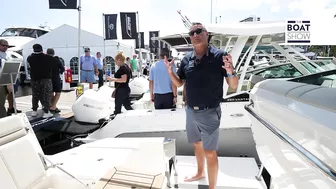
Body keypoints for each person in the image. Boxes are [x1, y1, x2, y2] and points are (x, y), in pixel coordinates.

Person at [165, 22, 238, 189]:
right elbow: (180, 83)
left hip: (210, 111)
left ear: (206, 34)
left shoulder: (220, 56)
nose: (195, 34)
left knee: (210, 153)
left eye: (199, 31)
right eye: (192, 33)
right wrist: (170, 73)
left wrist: (230, 70)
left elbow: (233, 84)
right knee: (196, 143)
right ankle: (200, 172)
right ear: (190, 38)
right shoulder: (186, 59)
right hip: (190, 111)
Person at [27, 44, 54, 118]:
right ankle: (46, 111)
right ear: (42, 49)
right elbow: (52, 64)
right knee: (46, 95)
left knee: (35, 95)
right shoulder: (48, 57)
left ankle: (34, 111)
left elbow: (30, 61)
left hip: (34, 79)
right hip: (45, 79)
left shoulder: (30, 58)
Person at [0, 39, 22, 116]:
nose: (5, 47)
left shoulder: (8, 54)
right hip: (2, 81)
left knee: (12, 94)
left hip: (10, 79)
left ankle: (10, 108)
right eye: (3, 45)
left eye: (7, 46)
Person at [46, 48, 65, 113]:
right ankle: (53, 106)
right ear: (53, 53)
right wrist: (59, 72)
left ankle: (52, 105)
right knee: (58, 92)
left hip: (47, 78)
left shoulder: (45, 60)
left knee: (51, 92)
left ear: (46, 53)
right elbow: (62, 69)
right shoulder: (57, 60)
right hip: (56, 78)